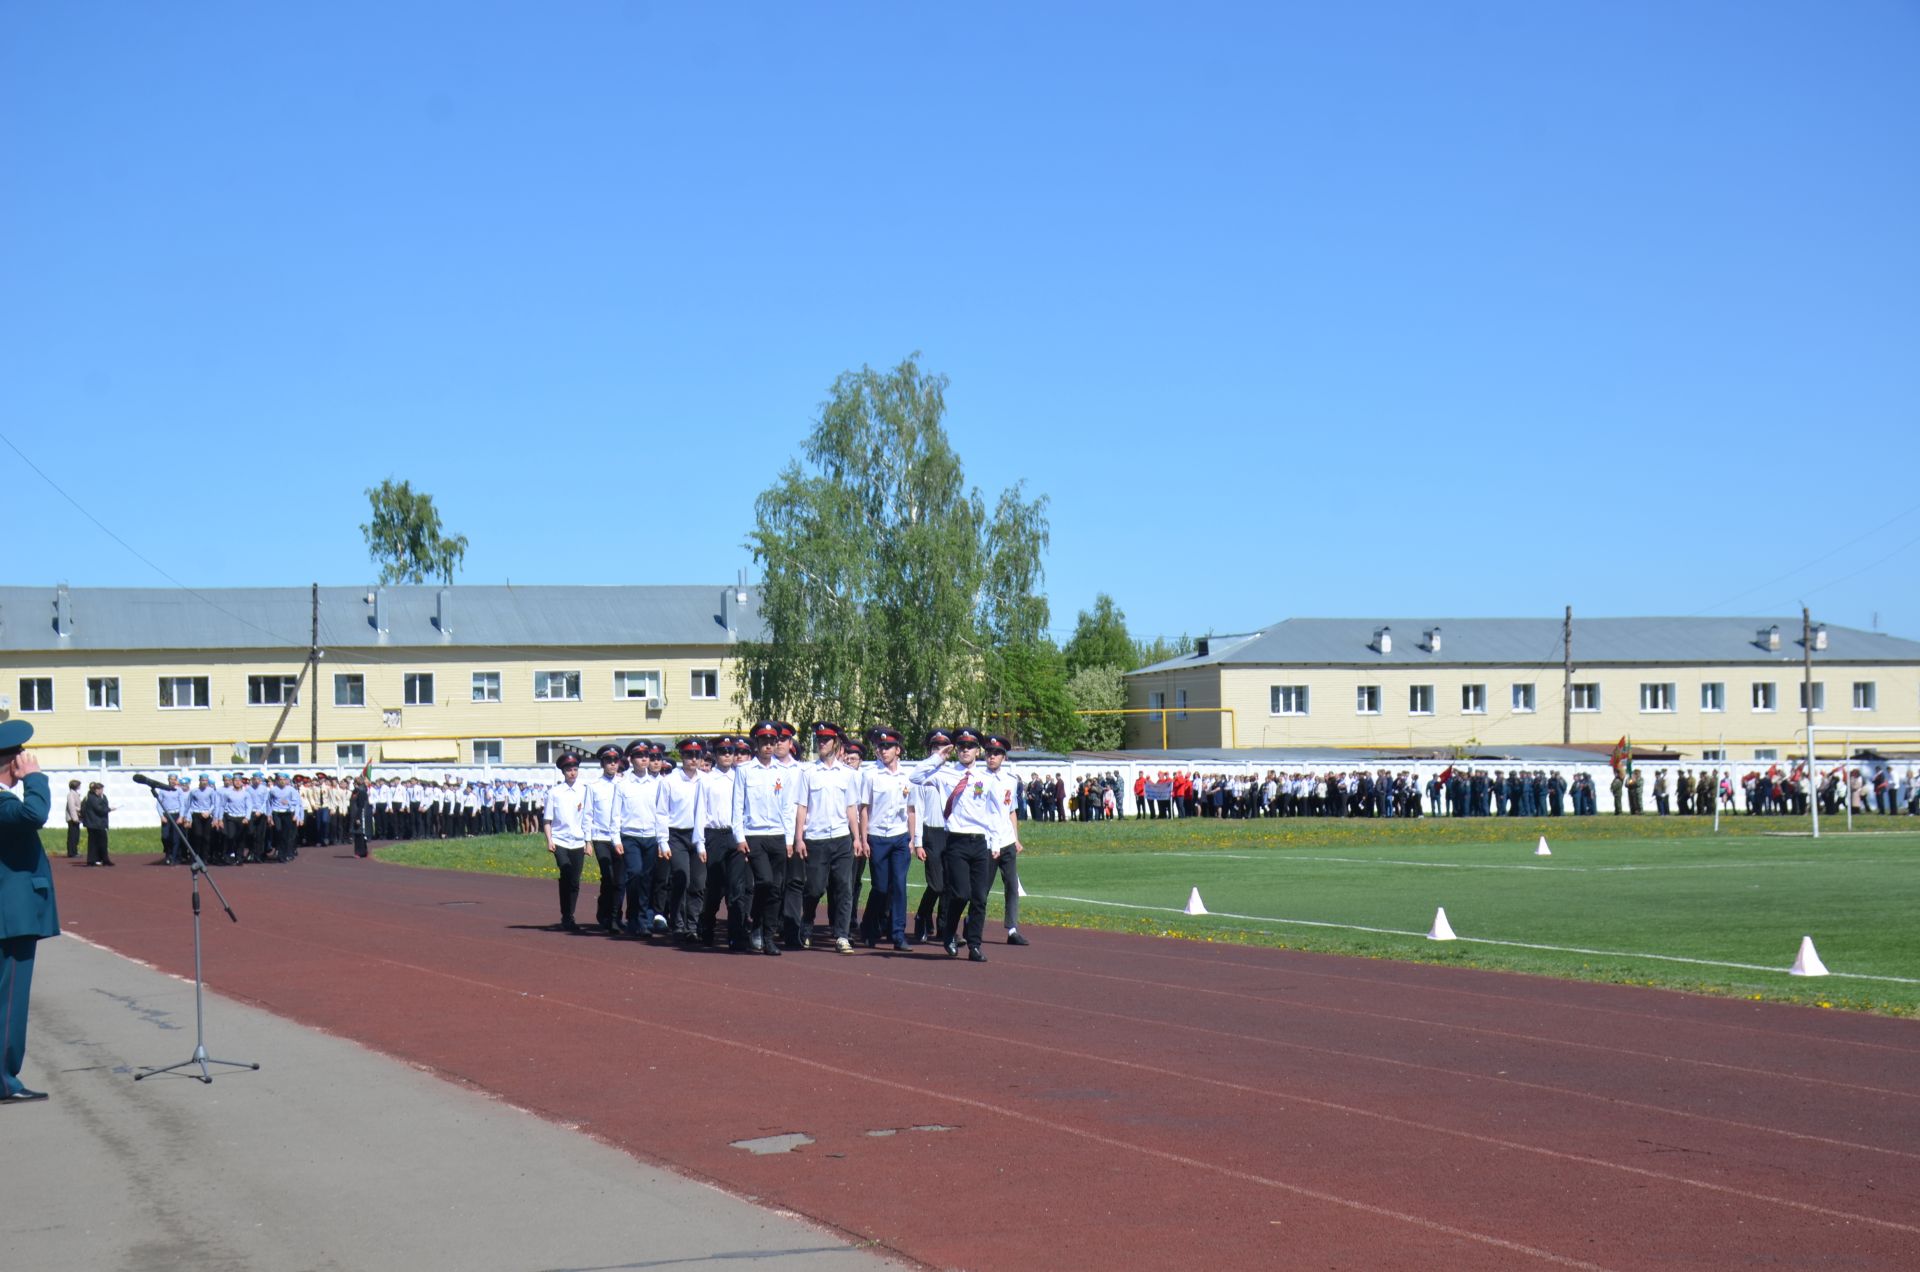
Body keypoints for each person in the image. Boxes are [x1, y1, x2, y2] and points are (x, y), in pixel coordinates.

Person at [0, 718, 56, 1103]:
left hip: (10, 914)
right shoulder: (5, 803)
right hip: (12, 917)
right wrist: (36, 779)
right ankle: (4, 1080)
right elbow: (35, 815)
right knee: (9, 1003)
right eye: (23, 757)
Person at [909, 727, 1000, 963]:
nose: (965, 750)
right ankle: (949, 930)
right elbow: (915, 777)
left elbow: (994, 812)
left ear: (978, 751)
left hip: (979, 841)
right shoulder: (945, 773)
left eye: (969, 746)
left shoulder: (986, 779)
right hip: (956, 841)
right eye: (961, 746)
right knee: (960, 894)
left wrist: (995, 841)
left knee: (979, 897)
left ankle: (975, 945)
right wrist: (939, 756)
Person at [789, 723, 858, 953]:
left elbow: (851, 808)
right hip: (816, 838)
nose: (822, 743)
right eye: (819, 739)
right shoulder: (808, 772)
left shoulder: (848, 774)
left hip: (841, 838)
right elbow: (802, 807)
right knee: (815, 888)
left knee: (844, 888)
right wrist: (799, 838)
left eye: (826, 739)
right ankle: (806, 924)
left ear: (835, 743)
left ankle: (841, 935)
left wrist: (856, 837)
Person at [732, 722, 796, 955]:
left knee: (776, 888)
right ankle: (754, 921)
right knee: (765, 882)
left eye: (772, 742)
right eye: (764, 742)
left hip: (778, 835)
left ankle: (767, 936)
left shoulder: (782, 772)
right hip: (755, 834)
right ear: (756, 744)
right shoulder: (745, 770)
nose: (769, 746)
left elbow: (788, 807)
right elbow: (737, 806)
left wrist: (789, 839)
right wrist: (739, 836)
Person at [857, 727, 917, 951]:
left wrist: (912, 838)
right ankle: (869, 927)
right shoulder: (870, 775)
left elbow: (911, 809)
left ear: (898, 750)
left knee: (899, 885)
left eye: (887, 747)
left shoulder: (906, 776)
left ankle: (898, 933)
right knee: (880, 887)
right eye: (880, 746)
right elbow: (864, 809)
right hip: (877, 837)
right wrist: (863, 839)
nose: (883, 750)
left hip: (900, 837)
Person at [982, 734, 1028, 946]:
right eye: (989, 753)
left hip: (1006, 840)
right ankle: (972, 924)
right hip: (987, 841)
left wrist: (1016, 839)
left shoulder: (1010, 780)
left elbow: (1012, 811)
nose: (992, 757)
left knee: (1011, 884)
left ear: (1004, 757)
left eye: (997, 753)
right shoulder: (977, 778)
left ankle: (1012, 929)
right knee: (982, 887)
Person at [543, 753, 588, 931]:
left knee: (575, 881)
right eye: (569, 770)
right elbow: (547, 820)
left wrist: (588, 841)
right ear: (563, 772)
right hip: (560, 840)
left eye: (575, 769)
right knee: (566, 871)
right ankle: (566, 914)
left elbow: (588, 818)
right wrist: (549, 840)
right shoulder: (554, 793)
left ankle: (570, 915)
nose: (572, 773)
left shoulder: (584, 791)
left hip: (578, 841)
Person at [81, 782, 114, 866]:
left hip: (100, 823)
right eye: (100, 789)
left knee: (102, 842)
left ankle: (103, 859)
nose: (102, 791)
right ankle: (92, 860)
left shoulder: (101, 797)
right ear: (96, 790)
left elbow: (103, 805)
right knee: (93, 842)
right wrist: (109, 809)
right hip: (94, 823)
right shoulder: (92, 798)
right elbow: (99, 809)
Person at [64, 779, 82, 859]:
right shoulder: (71, 794)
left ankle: (74, 851)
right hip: (72, 818)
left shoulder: (75, 794)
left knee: (76, 835)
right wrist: (75, 818)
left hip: (75, 817)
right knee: (72, 835)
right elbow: (71, 807)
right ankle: (71, 852)